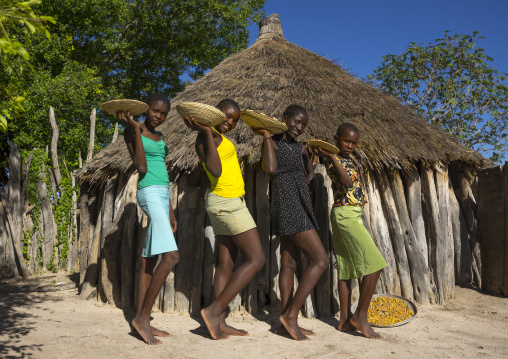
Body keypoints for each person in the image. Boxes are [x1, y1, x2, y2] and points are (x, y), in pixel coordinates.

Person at [183, 99, 265, 340]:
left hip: (222, 202)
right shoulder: (207, 137)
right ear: (214, 114)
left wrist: (210, 131)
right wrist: (207, 131)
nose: (230, 121)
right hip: (227, 202)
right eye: (226, 116)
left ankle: (219, 321)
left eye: (234, 119)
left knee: (226, 263)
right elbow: (215, 171)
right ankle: (214, 310)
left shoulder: (215, 136)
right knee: (257, 258)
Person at [258, 104, 329, 341]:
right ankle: (290, 316)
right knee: (321, 260)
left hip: (299, 205)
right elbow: (270, 168)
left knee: (289, 265)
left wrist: (305, 190)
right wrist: (267, 137)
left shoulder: (301, 148)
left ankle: (286, 321)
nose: (299, 127)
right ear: (285, 118)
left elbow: (309, 173)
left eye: (303, 124)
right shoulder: (273, 142)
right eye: (296, 122)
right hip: (287, 207)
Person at [313, 122, 387, 339]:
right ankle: (360, 317)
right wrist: (331, 157)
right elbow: (346, 183)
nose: (350, 145)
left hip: (346, 215)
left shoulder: (345, 160)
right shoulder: (334, 162)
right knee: (375, 265)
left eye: (354, 143)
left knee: (345, 269)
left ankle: (344, 321)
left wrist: (334, 157)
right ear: (336, 138)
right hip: (346, 216)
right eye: (346, 141)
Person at [117, 93, 180, 345]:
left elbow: (162, 171)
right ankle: (142, 319)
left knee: (149, 257)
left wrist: (170, 210)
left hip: (162, 194)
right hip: (148, 192)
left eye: (164, 113)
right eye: (155, 111)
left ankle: (142, 319)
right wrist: (134, 127)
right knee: (172, 256)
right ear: (146, 109)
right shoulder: (133, 132)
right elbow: (141, 168)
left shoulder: (161, 137)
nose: (159, 116)